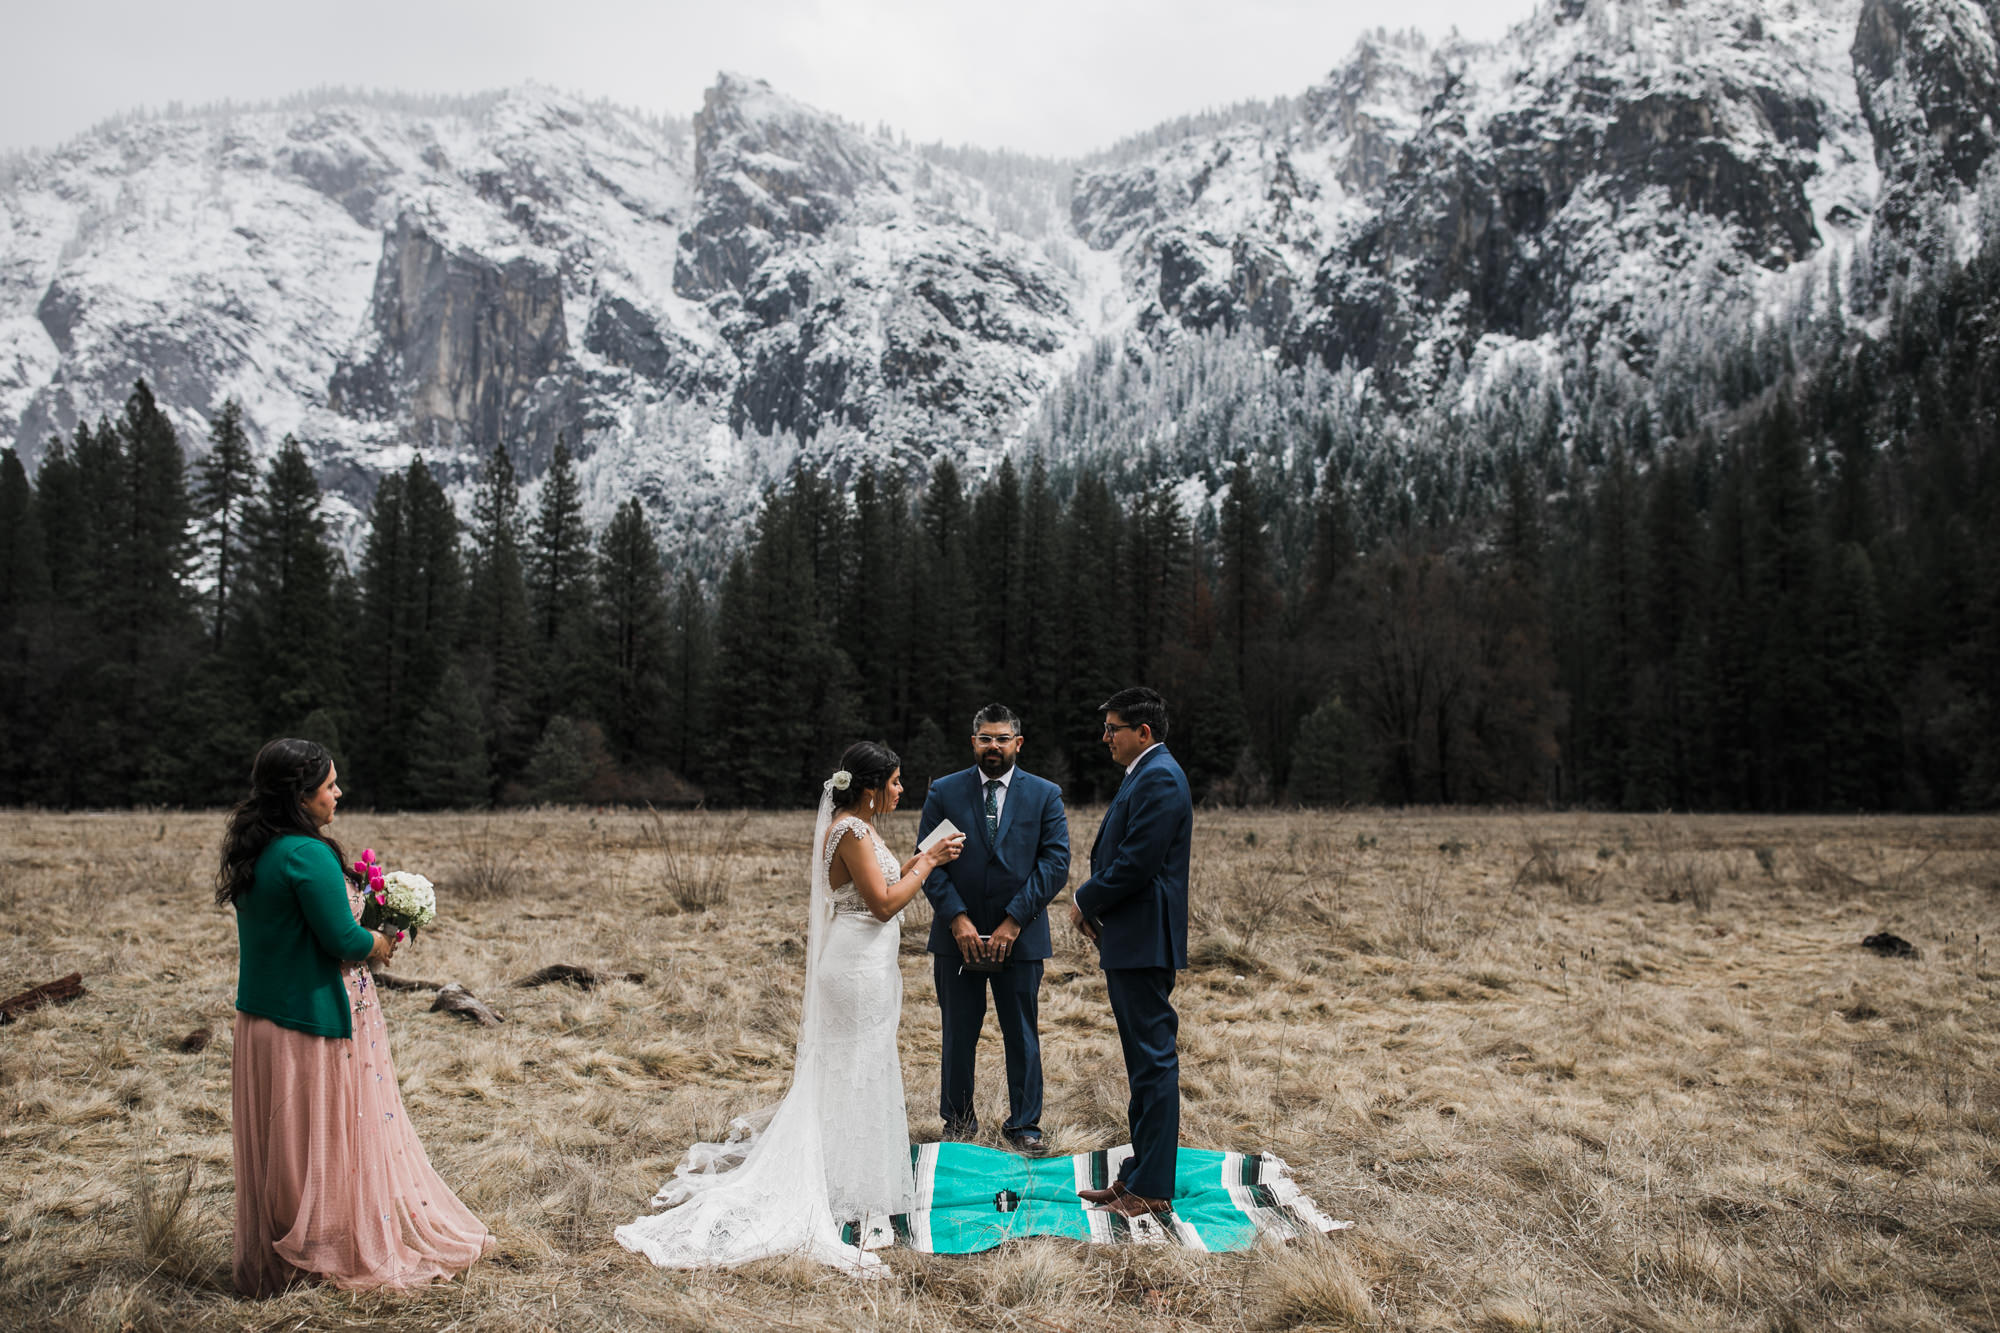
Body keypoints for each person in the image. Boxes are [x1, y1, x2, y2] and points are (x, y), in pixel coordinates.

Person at [617, 741, 964, 1276]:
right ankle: (844, 1184)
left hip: (864, 964)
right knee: (856, 1068)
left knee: (861, 1067)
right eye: (895, 782)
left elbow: (885, 886)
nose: (901, 790)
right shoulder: (850, 831)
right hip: (853, 969)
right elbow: (884, 903)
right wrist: (932, 864)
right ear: (870, 789)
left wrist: (918, 860)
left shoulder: (860, 828)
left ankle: (848, 1172)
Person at [219, 738, 492, 1297]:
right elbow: (342, 940)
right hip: (310, 1019)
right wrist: (383, 939)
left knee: (285, 1147)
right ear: (300, 795)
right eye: (329, 785)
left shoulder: (258, 848)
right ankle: (321, 1252)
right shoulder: (306, 853)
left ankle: (294, 1252)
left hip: (259, 1022)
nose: (338, 793)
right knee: (318, 1140)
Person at [916, 704, 1070, 1153]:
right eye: (985, 738)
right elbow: (929, 860)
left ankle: (1024, 1125)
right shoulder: (944, 792)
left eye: (1002, 738)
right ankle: (958, 1124)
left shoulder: (1044, 794)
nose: (994, 746)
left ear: (1017, 744)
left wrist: (1013, 921)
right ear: (973, 743)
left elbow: (1055, 863)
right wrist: (958, 920)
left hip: (1019, 937)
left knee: (1021, 1032)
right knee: (957, 1033)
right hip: (955, 938)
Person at [1067, 687, 1193, 1219]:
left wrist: (1083, 899)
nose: (1105, 737)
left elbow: (1138, 862)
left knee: (1153, 1062)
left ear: (1143, 732)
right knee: (1142, 1062)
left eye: (1113, 728)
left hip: (1144, 939)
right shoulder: (1146, 772)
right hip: (1130, 936)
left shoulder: (1160, 775)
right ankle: (1138, 1176)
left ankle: (1154, 1188)